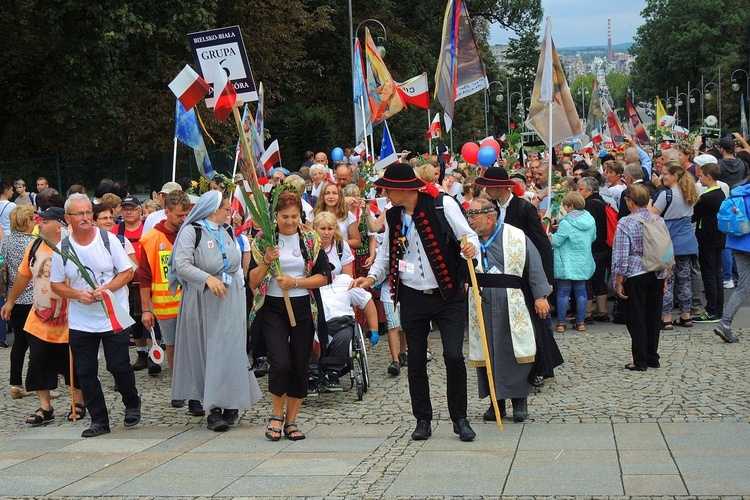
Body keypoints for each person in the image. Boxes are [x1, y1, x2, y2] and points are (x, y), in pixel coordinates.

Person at [352, 163, 480, 442]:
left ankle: (460, 418)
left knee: (453, 356)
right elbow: (386, 256)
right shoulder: (393, 215)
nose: (384, 192)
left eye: (388, 188)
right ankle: (423, 418)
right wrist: (371, 279)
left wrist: (470, 248)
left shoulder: (441, 204)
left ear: (402, 189)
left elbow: (467, 235)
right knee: (416, 360)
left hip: (447, 294)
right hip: (411, 295)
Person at [168, 191, 262, 431]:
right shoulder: (192, 231)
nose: (229, 213)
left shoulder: (228, 231)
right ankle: (214, 408)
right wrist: (207, 278)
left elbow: (236, 265)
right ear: (212, 209)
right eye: (225, 209)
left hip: (230, 298)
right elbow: (182, 264)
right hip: (203, 300)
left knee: (232, 349)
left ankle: (232, 400)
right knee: (210, 350)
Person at [50, 193, 141, 438]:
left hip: (112, 314)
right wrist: (78, 293)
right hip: (82, 320)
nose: (85, 218)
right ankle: (99, 419)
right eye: (79, 214)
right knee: (86, 370)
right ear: (68, 218)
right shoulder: (63, 249)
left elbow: (127, 273)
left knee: (118, 365)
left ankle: (132, 401)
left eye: (88, 212)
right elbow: (56, 285)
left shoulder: (108, 240)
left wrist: (106, 289)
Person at [248, 188, 331, 441]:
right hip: (273, 308)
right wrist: (266, 261)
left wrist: (295, 283)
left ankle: (292, 420)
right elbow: (252, 282)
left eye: (295, 216)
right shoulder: (264, 239)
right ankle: (276, 414)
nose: (290, 222)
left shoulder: (310, 239)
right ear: (275, 216)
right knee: (280, 362)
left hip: (303, 307)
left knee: (299, 365)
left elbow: (323, 277)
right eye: (285, 216)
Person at [466, 198, 555, 422]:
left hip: (512, 300)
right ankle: (496, 402)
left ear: (490, 217)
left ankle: (519, 401)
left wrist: (540, 296)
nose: (471, 221)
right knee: (488, 350)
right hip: (481, 299)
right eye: (469, 216)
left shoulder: (515, 236)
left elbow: (534, 264)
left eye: (474, 216)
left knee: (514, 350)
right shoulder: (467, 240)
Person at [2, 206, 85, 425]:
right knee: (38, 362)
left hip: (71, 318)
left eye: (45, 221)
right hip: (39, 317)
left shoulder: (73, 247)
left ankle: (78, 402)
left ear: (59, 225)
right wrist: (10, 301)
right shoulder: (35, 245)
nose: (40, 224)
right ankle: (45, 407)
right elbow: (23, 276)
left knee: (74, 364)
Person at [613, 185, 670, 370]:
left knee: (636, 317)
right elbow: (667, 248)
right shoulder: (659, 219)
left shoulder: (625, 223)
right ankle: (652, 356)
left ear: (630, 202)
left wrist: (618, 280)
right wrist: (666, 276)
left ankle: (640, 360)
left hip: (636, 273)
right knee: (653, 317)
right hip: (657, 272)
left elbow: (620, 255)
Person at [139, 191, 191, 397]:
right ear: (166, 212)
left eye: (186, 214)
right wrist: (145, 310)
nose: (183, 219)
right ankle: (179, 387)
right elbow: (144, 276)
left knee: (194, 347)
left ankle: (194, 388)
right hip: (166, 305)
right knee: (173, 347)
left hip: (191, 302)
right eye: (179, 215)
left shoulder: (191, 233)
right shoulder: (150, 239)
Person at [649, 161, 699, 329]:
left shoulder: (666, 195)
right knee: (684, 281)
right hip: (687, 242)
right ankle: (686, 316)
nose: (662, 177)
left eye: (665, 174)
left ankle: (667, 318)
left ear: (674, 176)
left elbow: (652, 216)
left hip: (669, 243)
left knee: (667, 281)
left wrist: (649, 204)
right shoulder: (690, 192)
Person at [312, 272, 379, 392]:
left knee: (344, 336)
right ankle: (311, 376)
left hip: (340, 324)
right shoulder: (305, 282)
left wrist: (374, 329)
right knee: (305, 336)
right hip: (313, 325)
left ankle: (332, 374)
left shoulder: (344, 281)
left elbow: (366, 300)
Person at [1, 206, 38, 397]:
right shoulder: (35, 242)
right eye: (33, 219)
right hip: (34, 298)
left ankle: (16, 383)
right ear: (27, 222)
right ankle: (38, 384)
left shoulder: (6, 241)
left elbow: (2, 264)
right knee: (38, 343)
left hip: (14, 298)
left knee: (19, 342)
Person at [712, 172, 750, 343]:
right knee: (743, 286)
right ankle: (724, 323)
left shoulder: (738, 190)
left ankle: (725, 323)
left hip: (736, 242)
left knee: (743, 286)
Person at [551, 192, 596, 332]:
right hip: (583, 260)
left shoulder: (566, 222)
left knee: (563, 292)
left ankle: (561, 323)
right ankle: (581, 322)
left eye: (565, 206)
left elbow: (558, 241)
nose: (564, 208)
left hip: (567, 262)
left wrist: (550, 236)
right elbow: (593, 237)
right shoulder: (590, 219)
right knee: (581, 292)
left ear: (571, 205)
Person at [691, 162, 725, 323]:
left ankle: (711, 310)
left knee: (709, 274)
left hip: (707, 238)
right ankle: (718, 308)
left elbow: (694, 216)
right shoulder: (720, 193)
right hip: (718, 237)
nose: (700, 178)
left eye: (702, 176)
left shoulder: (706, 198)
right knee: (717, 274)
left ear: (709, 177)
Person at [577, 176, 611, 322]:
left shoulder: (589, 205)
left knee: (587, 279)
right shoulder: (601, 201)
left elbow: (585, 226)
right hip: (603, 245)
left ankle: (587, 313)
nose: (577, 192)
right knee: (599, 279)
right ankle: (602, 312)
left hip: (593, 246)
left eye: (580, 189)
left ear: (589, 190)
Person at [313, 182, 361, 249]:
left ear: (340, 196)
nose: (331, 197)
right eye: (327, 193)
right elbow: (307, 237)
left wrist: (336, 243)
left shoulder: (347, 215)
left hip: (340, 255)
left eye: (335, 193)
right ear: (322, 196)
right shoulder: (314, 214)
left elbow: (357, 242)